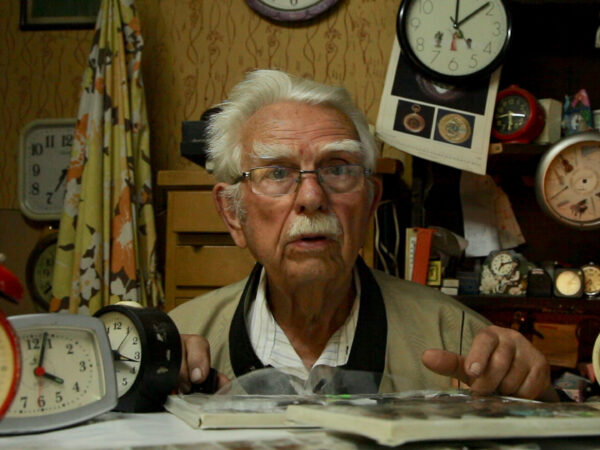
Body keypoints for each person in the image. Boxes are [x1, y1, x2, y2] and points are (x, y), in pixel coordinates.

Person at [169, 69, 555, 400]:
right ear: (233, 215)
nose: (311, 197)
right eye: (278, 172)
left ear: (371, 203)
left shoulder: (456, 337)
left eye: (338, 169)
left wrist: (532, 396)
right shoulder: (175, 344)